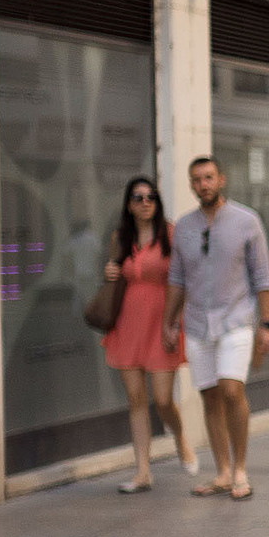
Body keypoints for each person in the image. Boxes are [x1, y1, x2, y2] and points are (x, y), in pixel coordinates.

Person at [166, 157, 269, 501]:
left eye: (209, 177)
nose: (204, 184)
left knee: (231, 391)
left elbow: (263, 278)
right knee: (210, 397)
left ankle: (241, 468)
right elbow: (177, 280)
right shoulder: (183, 227)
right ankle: (223, 472)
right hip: (197, 324)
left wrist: (267, 325)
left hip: (237, 320)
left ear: (221, 180)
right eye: (196, 179)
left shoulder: (247, 221)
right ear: (191, 185)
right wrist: (170, 322)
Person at [99, 176, 196, 494]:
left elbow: (181, 281)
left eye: (151, 196)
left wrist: (174, 322)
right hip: (127, 324)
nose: (145, 202)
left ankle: (180, 438)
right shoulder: (120, 238)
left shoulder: (171, 234)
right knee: (136, 399)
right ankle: (142, 472)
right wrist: (110, 271)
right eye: (138, 198)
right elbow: (115, 274)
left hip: (162, 322)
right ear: (129, 204)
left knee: (164, 399)